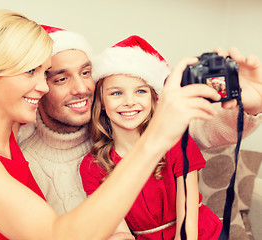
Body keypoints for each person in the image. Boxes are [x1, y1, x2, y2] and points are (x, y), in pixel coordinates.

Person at [0, 9, 218, 240]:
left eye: (45, 73)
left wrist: (245, 102)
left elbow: (206, 132)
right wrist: (155, 140)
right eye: (30, 72)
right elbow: (57, 235)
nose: (43, 87)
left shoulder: (6, 130)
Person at [18, 25, 262, 219]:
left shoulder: (131, 125)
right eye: (61, 79)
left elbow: (204, 127)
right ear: (39, 86)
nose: (81, 88)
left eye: (86, 73)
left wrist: (253, 101)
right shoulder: (24, 162)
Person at [79, 35, 222, 239]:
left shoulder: (177, 142)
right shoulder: (92, 166)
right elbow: (118, 230)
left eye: (140, 91)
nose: (129, 102)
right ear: (101, 101)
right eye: (116, 93)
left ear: (153, 97)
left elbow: (188, 224)